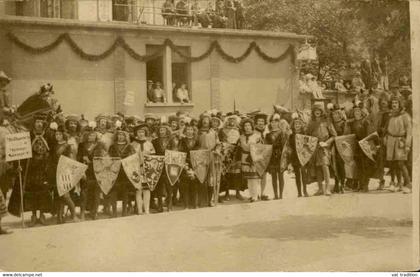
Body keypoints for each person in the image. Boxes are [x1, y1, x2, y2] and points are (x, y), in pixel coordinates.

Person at [47, 124, 78, 224]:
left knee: (66, 195)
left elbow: (69, 159)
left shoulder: (67, 146)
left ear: (63, 135)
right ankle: (60, 217)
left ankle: (74, 215)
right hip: (56, 172)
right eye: (56, 134)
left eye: (59, 134)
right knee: (59, 195)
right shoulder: (54, 146)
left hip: (65, 172)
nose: (58, 136)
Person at [26, 113, 52, 226]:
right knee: (32, 193)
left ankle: (42, 215)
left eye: (41, 122)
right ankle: (33, 215)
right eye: (37, 122)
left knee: (43, 192)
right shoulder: (29, 135)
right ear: (34, 123)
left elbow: (51, 150)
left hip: (44, 168)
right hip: (32, 168)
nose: (39, 124)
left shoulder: (48, 135)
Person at [78, 123, 107, 220]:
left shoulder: (99, 145)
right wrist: (81, 171)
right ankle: (82, 212)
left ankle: (94, 212)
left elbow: (103, 158)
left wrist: (92, 160)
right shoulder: (81, 145)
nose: (92, 136)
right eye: (90, 135)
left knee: (96, 192)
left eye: (93, 134)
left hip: (96, 171)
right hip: (85, 172)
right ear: (86, 135)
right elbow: (78, 159)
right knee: (84, 192)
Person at [306, 104, 337, 196]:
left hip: (325, 148)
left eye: (319, 110)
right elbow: (308, 136)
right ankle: (320, 189)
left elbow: (334, 135)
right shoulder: (311, 123)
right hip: (315, 148)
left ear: (322, 111)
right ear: (313, 112)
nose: (317, 111)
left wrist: (326, 143)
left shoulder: (327, 121)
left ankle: (327, 188)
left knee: (324, 165)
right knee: (318, 168)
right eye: (315, 110)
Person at [385, 97, 412, 193]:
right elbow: (387, 129)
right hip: (391, 141)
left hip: (401, 141)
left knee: (401, 163)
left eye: (396, 103)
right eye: (392, 103)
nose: (394, 104)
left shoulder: (405, 116)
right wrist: (386, 138)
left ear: (400, 104)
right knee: (392, 163)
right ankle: (395, 183)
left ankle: (408, 184)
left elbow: (409, 131)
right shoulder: (391, 115)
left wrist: (408, 144)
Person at [108, 128, 136, 217]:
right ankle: (114, 211)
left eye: (123, 135)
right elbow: (108, 158)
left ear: (126, 137)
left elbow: (133, 158)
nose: (120, 137)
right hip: (114, 171)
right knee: (113, 191)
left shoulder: (130, 147)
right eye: (119, 135)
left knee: (125, 191)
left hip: (125, 172)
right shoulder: (112, 147)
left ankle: (124, 211)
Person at [347, 106, 374, 192]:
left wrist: (367, 143)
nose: (357, 113)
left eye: (358, 112)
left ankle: (365, 185)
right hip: (356, 146)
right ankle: (360, 184)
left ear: (361, 112)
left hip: (364, 144)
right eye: (355, 112)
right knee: (358, 166)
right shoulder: (352, 122)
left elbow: (370, 133)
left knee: (365, 165)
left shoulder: (365, 121)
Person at [197, 113, 221, 206]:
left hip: (211, 157)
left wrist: (217, 150)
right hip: (200, 157)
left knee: (211, 179)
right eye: (203, 119)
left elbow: (218, 143)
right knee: (202, 178)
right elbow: (195, 144)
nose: (205, 121)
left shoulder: (213, 132)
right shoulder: (198, 132)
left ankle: (211, 199)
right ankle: (202, 200)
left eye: (207, 120)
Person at [131, 124, 155, 214]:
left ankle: (147, 209)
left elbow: (153, 157)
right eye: (139, 132)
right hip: (136, 169)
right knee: (138, 189)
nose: (141, 134)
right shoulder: (132, 144)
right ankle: (140, 210)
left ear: (145, 133)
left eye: (142, 132)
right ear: (136, 133)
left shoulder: (149, 144)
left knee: (146, 189)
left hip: (147, 169)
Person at [219, 114, 244, 201]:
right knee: (227, 174)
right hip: (227, 154)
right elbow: (220, 141)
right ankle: (227, 193)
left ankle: (237, 192)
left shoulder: (240, 130)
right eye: (230, 120)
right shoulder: (222, 130)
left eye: (233, 120)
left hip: (237, 153)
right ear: (227, 121)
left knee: (237, 174)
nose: (232, 121)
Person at [238, 118, 263, 202]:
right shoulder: (241, 137)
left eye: (249, 125)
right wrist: (250, 146)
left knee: (254, 178)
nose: (247, 127)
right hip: (244, 158)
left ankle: (255, 196)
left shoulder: (257, 136)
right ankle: (251, 195)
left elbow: (259, 147)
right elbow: (242, 147)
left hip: (253, 158)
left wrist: (252, 150)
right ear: (243, 127)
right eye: (245, 125)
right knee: (248, 177)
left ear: (252, 126)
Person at [265, 113, 289, 200]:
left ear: (278, 123)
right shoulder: (268, 135)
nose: (274, 123)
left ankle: (281, 195)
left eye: (276, 122)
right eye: (272, 122)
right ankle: (275, 195)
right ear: (270, 123)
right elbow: (266, 146)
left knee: (281, 176)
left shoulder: (282, 133)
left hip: (280, 156)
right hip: (272, 157)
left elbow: (285, 146)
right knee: (273, 176)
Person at [152, 121, 172, 212]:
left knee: (169, 184)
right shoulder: (154, 141)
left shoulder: (171, 140)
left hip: (168, 165)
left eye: (163, 130)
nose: (161, 131)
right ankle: (160, 204)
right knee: (159, 185)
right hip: (158, 165)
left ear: (167, 131)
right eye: (160, 130)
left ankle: (169, 204)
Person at [179, 122, 200, 209]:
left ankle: (194, 204)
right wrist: (185, 165)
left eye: (191, 129)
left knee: (194, 183)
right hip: (185, 164)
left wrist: (196, 166)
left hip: (195, 164)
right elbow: (180, 152)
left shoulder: (197, 141)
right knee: (185, 185)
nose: (189, 131)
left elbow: (199, 153)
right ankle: (186, 205)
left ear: (194, 131)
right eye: (188, 129)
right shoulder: (182, 141)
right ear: (185, 131)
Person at [330, 105, 349, 193]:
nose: (335, 116)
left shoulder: (344, 123)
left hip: (342, 146)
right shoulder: (331, 124)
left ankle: (343, 183)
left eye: (337, 114)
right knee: (334, 165)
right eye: (333, 114)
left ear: (340, 114)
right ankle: (336, 183)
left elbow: (346, 135)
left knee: (341, 165)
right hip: (333, 147)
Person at [289, 114, 309, 197]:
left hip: (303, 156)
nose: (297, 125)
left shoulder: (304, 134)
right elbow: (289, 147)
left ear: (301, 125)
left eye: (299, 124)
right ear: (293, 126)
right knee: (297, 174)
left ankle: (305, 191)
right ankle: (299, 192)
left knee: (304, 173)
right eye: (295, 124)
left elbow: (307, 145)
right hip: (294, 156)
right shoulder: (291, 136)